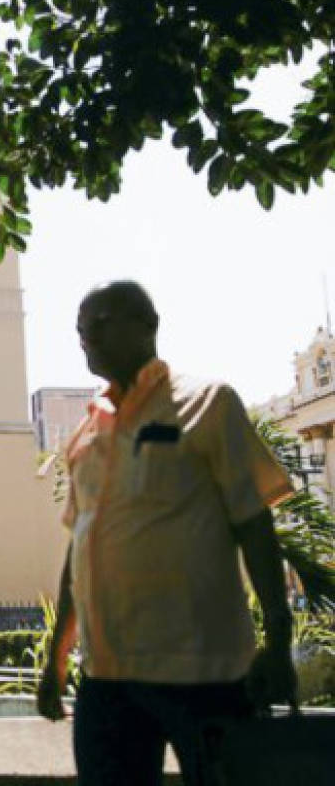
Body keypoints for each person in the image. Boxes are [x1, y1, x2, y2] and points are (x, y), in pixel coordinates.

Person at [38, 281, 298, 786]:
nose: (87, 336)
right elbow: (81, 549)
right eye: (80, 329)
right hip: (107, 681)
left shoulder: (209, 404)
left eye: (102, 322)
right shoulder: (86, 435)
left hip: (205, 673)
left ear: (149, 325)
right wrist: (56, 658)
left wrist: (279, 639)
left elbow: (254, 523)